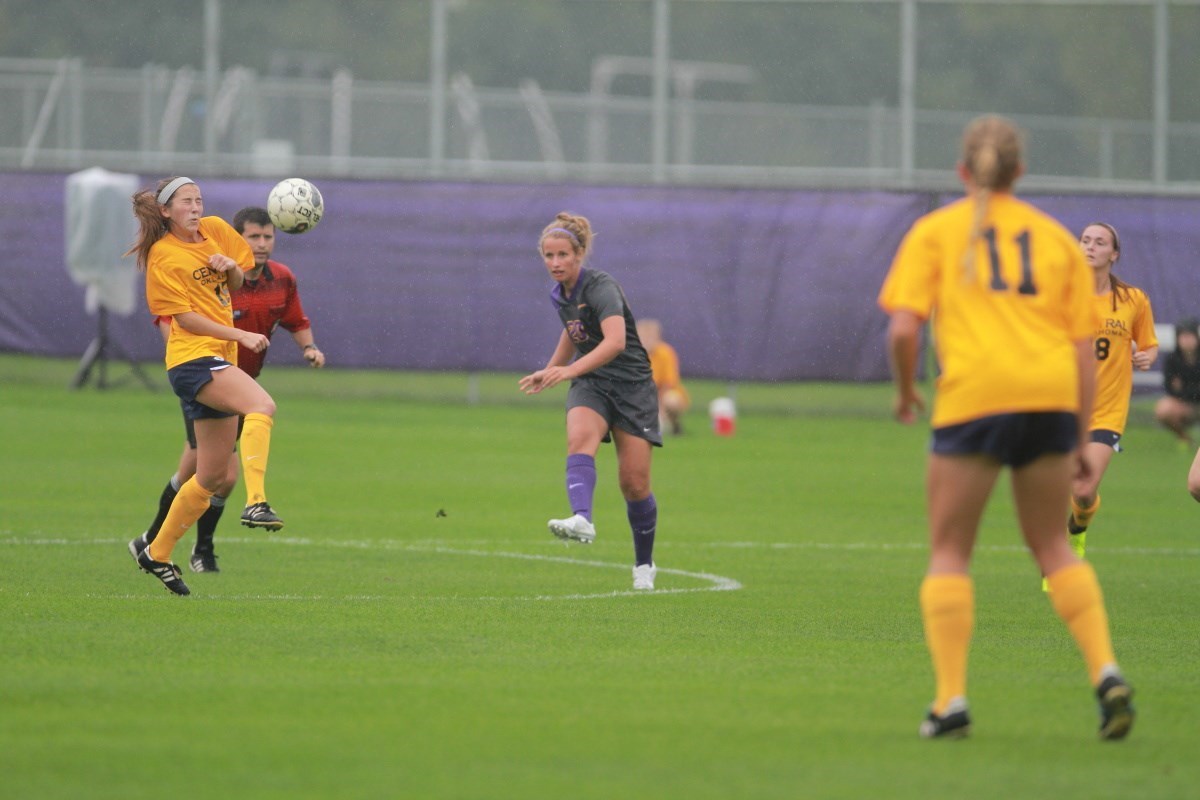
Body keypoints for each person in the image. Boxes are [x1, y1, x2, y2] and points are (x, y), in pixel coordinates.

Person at [878, 115, 1134, 740]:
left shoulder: (936, 231)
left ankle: (951, 703)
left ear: (963, 172)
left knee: (950, 552)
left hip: (974, 400)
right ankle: (1105, 670)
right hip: (1048, 399)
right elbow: (1080, 344)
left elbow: (905, 329)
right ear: (1020, 172)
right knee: (1051, 546)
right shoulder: (1052, 241)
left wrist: (908, 391)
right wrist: (1078, 432)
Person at [130, 206, 325, 574]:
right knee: (217, 469)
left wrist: (309, 348)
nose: (262, 244)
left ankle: (153, 547)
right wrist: (190, 357)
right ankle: (202, 544)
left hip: (233, 379)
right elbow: (174, 318)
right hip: (205, 375)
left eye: (268, 237)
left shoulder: (278, 278)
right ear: (237, 238)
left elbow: (295, 320)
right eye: (254, 237)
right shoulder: (201, 272)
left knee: (210, 475)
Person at [124, 177, 284, 596]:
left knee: (211, 476)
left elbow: (235, 283)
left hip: (216, 359)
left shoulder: (214, 229)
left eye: (199, 199)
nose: (196, 208)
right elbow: (186, 320)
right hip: (192, 360)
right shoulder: (163, 255)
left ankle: (156, 552)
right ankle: (257, 502)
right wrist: (241, 336)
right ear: (165, 211)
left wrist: (231, 269)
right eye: (186, 202)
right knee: (262, 406)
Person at [518, 212, 662, 591]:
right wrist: (551, 370)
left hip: (632, 387)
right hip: (592, 383)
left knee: (634, 483)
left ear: (579, 254)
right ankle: (582, 518)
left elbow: (615, 343)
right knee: (579, 438)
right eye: (548, 256)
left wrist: (568, 370)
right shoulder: (559, 294)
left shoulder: (601, 287)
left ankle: (644, 565)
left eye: (562, 255)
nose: (555, 263)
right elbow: (573, 331)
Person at [1065, 223, 1157, 561]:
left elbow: (1148, 344)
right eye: (1085, 240)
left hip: (1106, 410)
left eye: (1099, 242)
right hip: (1063, 407)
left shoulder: (1133, 300)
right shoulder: (1062, 295)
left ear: (1113, 254)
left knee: (1084, 489)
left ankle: (1075, 532)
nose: (1090, 246)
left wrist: (1147, 356)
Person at [636, 318, 690, 435]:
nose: (647, 340)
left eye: (650, 336)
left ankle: (675, 426)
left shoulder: (665, 352)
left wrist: (659, 409)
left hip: (661, 393)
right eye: (643, 336)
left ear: (658, 337)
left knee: (671, 399)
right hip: (641, 393)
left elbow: (668, 383)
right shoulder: (632, 354)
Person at [1154, 318, 1200, 448]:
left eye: (1190, 336)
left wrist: (1184, 388)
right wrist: (1192, 390)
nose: (1187, 341)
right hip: (1185, 405)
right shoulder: (1172, 359)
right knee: (1163, 409)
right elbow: (1170, 388)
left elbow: (1179, 388)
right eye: (1183, 337)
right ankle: (1185, 439)